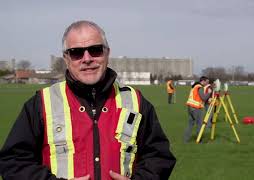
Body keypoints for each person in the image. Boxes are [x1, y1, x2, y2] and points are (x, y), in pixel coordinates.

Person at [0, 20, 176, 180]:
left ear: (107, 53)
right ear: (66, 59)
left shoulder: (136, 101)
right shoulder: (41, 103)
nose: (87, 59)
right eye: (76, 52)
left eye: (95, 50)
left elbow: (159, 157)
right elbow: (13, 162)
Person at [184, 76, 211, 143]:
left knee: (190, 124)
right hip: (196, 108)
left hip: (190, 107)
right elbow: (203, 98)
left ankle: (185, 140)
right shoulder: (199, 87)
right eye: (207, 82)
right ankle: (199, 140)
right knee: (199, 125)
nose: (207, 84)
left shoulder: (194, 87)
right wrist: (209, 93)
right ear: (203, 81)